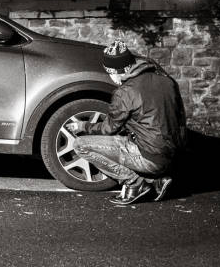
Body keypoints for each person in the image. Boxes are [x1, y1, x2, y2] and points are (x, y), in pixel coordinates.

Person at [65, 40, 187, 205]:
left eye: (109, 72)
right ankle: (154, 181)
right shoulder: (167, 81)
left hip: (150, 158)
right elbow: (180, 119)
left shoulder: (125, 92)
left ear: (116, 71)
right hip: (173, 156)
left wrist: (84, 126)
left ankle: (135, 183)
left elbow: (108, 129)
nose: (110, 76)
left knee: (81, 145)